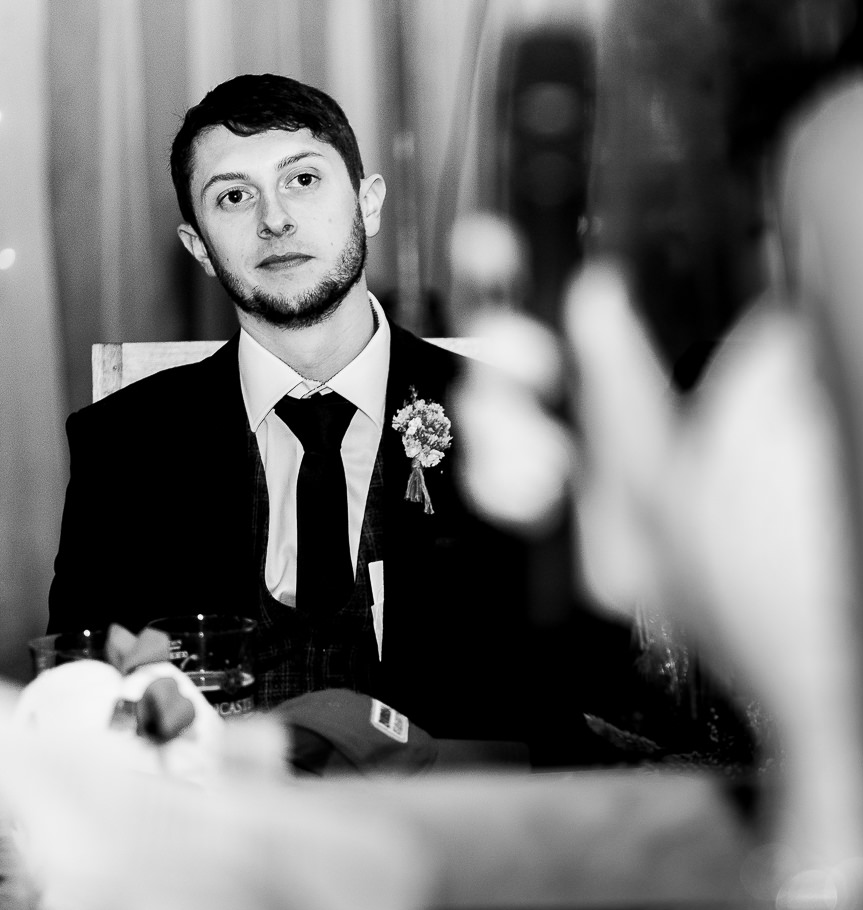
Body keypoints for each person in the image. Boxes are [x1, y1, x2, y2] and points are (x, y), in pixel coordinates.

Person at [46, 73, 619, 760]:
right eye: (233, 196)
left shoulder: (506, 417)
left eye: (303, 180)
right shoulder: (122, 446)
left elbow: (586, 688)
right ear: (199, 248)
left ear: (368, 204)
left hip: (459, 815)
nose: (275, 219)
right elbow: (82, 700)